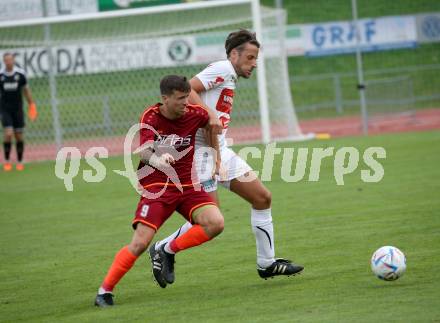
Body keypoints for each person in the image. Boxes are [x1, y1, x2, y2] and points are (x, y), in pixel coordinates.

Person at [150, 30, 304, 281]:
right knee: (210, 222)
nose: (254, 63)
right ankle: (162, 248)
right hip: (200, 155)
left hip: (220, 150)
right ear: (234, 54)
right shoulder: (222, 67)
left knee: (262, 197)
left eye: (256, 58)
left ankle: (267, 263)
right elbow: (188, 91)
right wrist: (208, 114)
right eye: (251, 57)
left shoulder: (229, 75)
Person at [94, 75, 224, 307]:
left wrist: (216, 159)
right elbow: (143, 152)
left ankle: (167, 250)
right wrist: (159, 159)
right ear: (165, 99)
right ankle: (104, 291)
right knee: (140, 242)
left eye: (187, 97)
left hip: (187, 186)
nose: (186, 102)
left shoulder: (196, 113)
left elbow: (213, 126)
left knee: (215, 223)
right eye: (180, 99)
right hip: (157, 188)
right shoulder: (151, 116)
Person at [0, 53, 37, 171]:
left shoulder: (20, 74)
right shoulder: (1, 75)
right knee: (8, 133)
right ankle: (6, 161)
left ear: (13, 60)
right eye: (6, 60)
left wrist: (32, 105)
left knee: (19, 136)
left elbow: (26, 90)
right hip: (5, 109)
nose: (8, 62)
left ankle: (20, 161)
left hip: (18, 109)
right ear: (4, 61)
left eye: (10, 60)